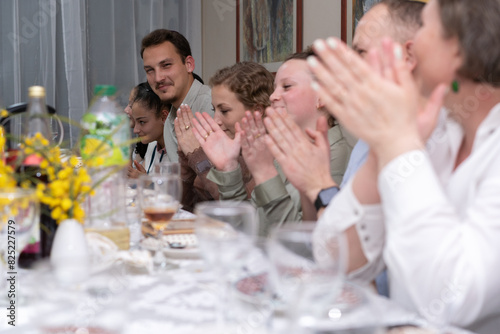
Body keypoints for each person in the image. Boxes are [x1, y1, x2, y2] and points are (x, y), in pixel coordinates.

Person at [309, 0, 500, 332]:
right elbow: (333, 258)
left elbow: (451, 302)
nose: (409, 49)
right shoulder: (437, 132)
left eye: (425, 28)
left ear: (457, 51)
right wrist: (382, 152)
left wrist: (398, 144)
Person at [264, 0, 425, 296]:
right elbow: (325, 247)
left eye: (360, 53)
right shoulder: (368, 140)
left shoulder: (432, 142)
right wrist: (310, 187)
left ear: (408, 56)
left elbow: (365, 270)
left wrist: (320, 188)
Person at [204, 50, 355, 235]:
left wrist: (265, 173)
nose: (273, 96)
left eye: (287, 86)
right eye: (275, 87)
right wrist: (229, 168)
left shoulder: (341, 160)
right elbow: (246, 231)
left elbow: (302, 246)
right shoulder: (285, 151)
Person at [175, 61, 274, 212]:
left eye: (225, 111)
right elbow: (190, 207)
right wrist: (185, 163)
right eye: (214, 109)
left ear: (257, 111)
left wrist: (197, 156)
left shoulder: (271, 154)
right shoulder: (234, 147)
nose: (216, 120)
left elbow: (238, 212)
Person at [141, 29, 213, 163]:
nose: (158, 78)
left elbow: (220, 180)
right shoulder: (170, 120)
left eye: (166, 65)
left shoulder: (212, 106)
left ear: (189, 64)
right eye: (150, 70)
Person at [126, 82, 169, 178]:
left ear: (163, 117)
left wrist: (145, 182)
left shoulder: (176, 152)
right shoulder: (152, 145)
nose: (135, 130)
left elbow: (174, 191)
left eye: (142, 122)